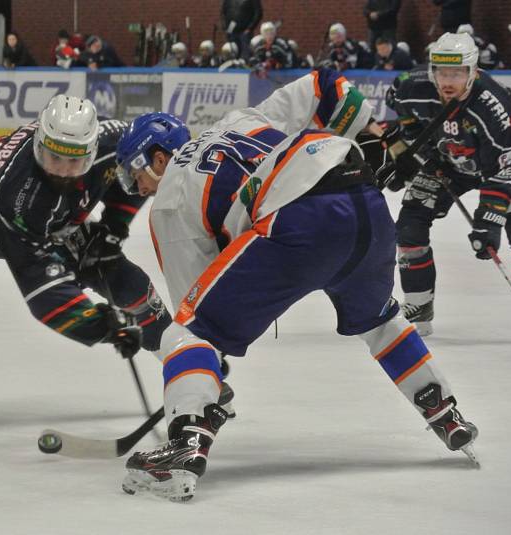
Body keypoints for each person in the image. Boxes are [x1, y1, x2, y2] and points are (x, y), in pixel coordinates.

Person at [114, 68, 479, 502]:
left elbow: (199, 317)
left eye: (133, 174)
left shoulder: (170, 200)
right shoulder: (240, 119)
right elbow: (323, 85)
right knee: (379, 316)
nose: (136, 189)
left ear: (158, 158)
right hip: (366, 199)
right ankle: (445, 413)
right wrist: (382, 134)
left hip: (299, 223)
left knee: (187, 334)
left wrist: (204, 384)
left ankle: (184, 447)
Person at [0, 95, 170, 383]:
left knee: (119, 276)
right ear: (38, 144)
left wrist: (112, 232)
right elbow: (42, 289)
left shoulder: (116, 142)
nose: (62, 171)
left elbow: (131, 180)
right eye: (53, 157)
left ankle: (181, 361)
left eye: (74, 161)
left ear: (93, 151)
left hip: (49, 214)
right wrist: (100, 325)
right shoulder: (18, 196)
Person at [383, 32, 511, 335]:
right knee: (409, 225)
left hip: (500, 165)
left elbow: (502, 167)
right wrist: (411, 157)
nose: (448, 81)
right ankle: (419, 304)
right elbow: (407, 120)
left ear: (473, 71)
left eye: (457, 73)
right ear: (432, 70)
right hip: (447, 164)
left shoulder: (495, 104)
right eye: (442, 72)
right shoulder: (411, 87)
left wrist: (489, 221)